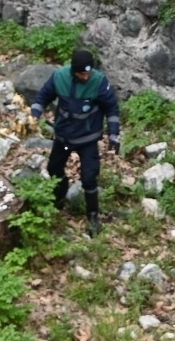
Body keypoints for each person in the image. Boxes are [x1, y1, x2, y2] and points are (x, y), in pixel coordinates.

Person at [30, 49, 121, 236]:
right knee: (54, 170)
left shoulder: (99, 83)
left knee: (89, 177)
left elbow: (112, 108)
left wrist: (114, 134)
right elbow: (43, 96)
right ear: (74, 71)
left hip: (87, 139)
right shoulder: (60, 77)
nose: (86, 76)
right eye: (82, 73)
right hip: (64, 137)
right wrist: (34, 114)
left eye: (88, 72)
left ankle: (93, 216)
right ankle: (60, 195)